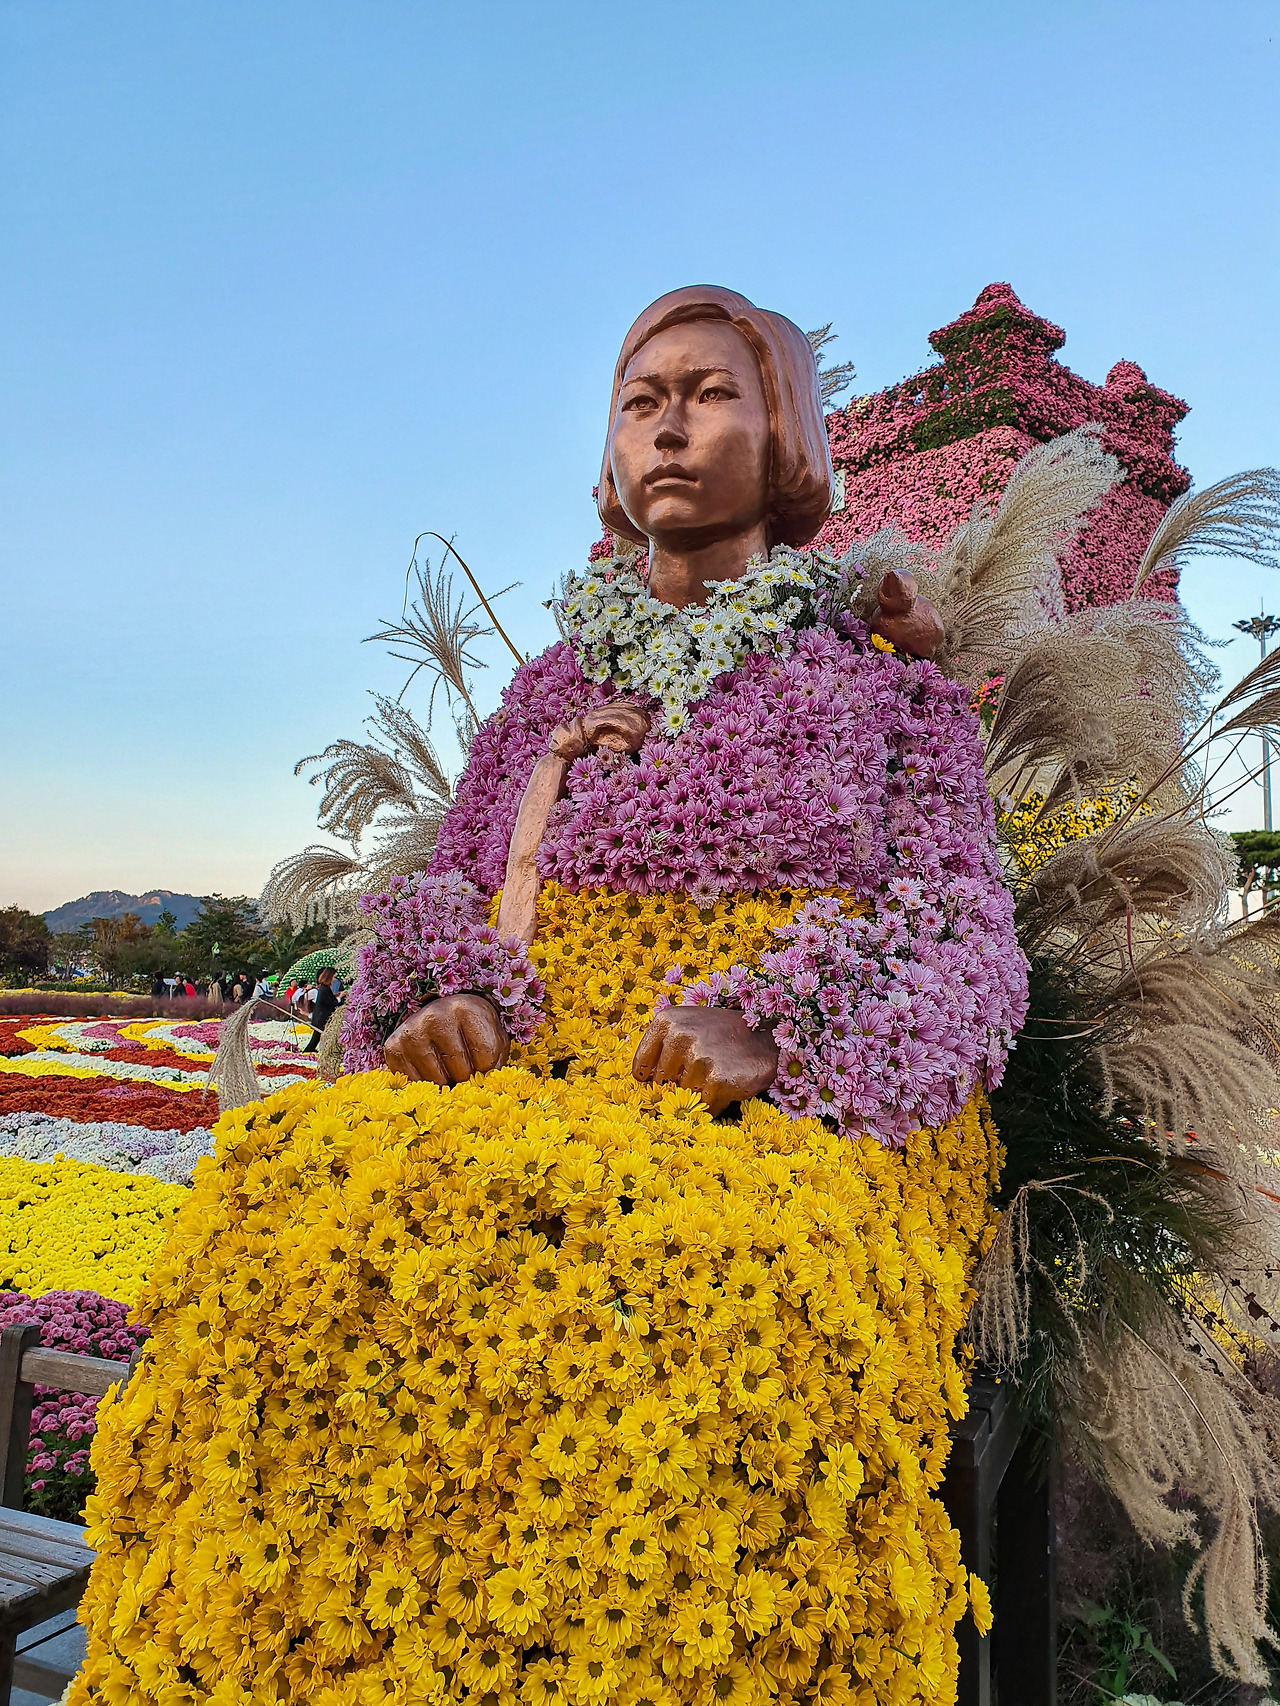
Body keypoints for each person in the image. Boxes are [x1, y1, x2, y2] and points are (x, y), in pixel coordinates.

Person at [81, 288, 1027, 1705]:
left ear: (787, 437)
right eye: (640, 400)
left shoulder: (892, 689)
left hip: (808, 1097)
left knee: (721, 1259)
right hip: (526, 1068)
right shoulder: (545, 687)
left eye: (709, 392)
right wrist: (442, 991)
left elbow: (962, 924)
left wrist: (784, 1025)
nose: (666, 424)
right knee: (280, 1204)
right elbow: (446, 880)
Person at [300, 965, 338, 1051]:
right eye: (333, 977)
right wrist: (339, 998)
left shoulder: (324, 988)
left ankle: (308, 1052)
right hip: (321, 1020)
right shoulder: (325, 989)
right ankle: (307, 1053)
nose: (334, 979)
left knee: (315, 1040)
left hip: (319, 1019)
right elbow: (331, 1003)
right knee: (315, 1040)